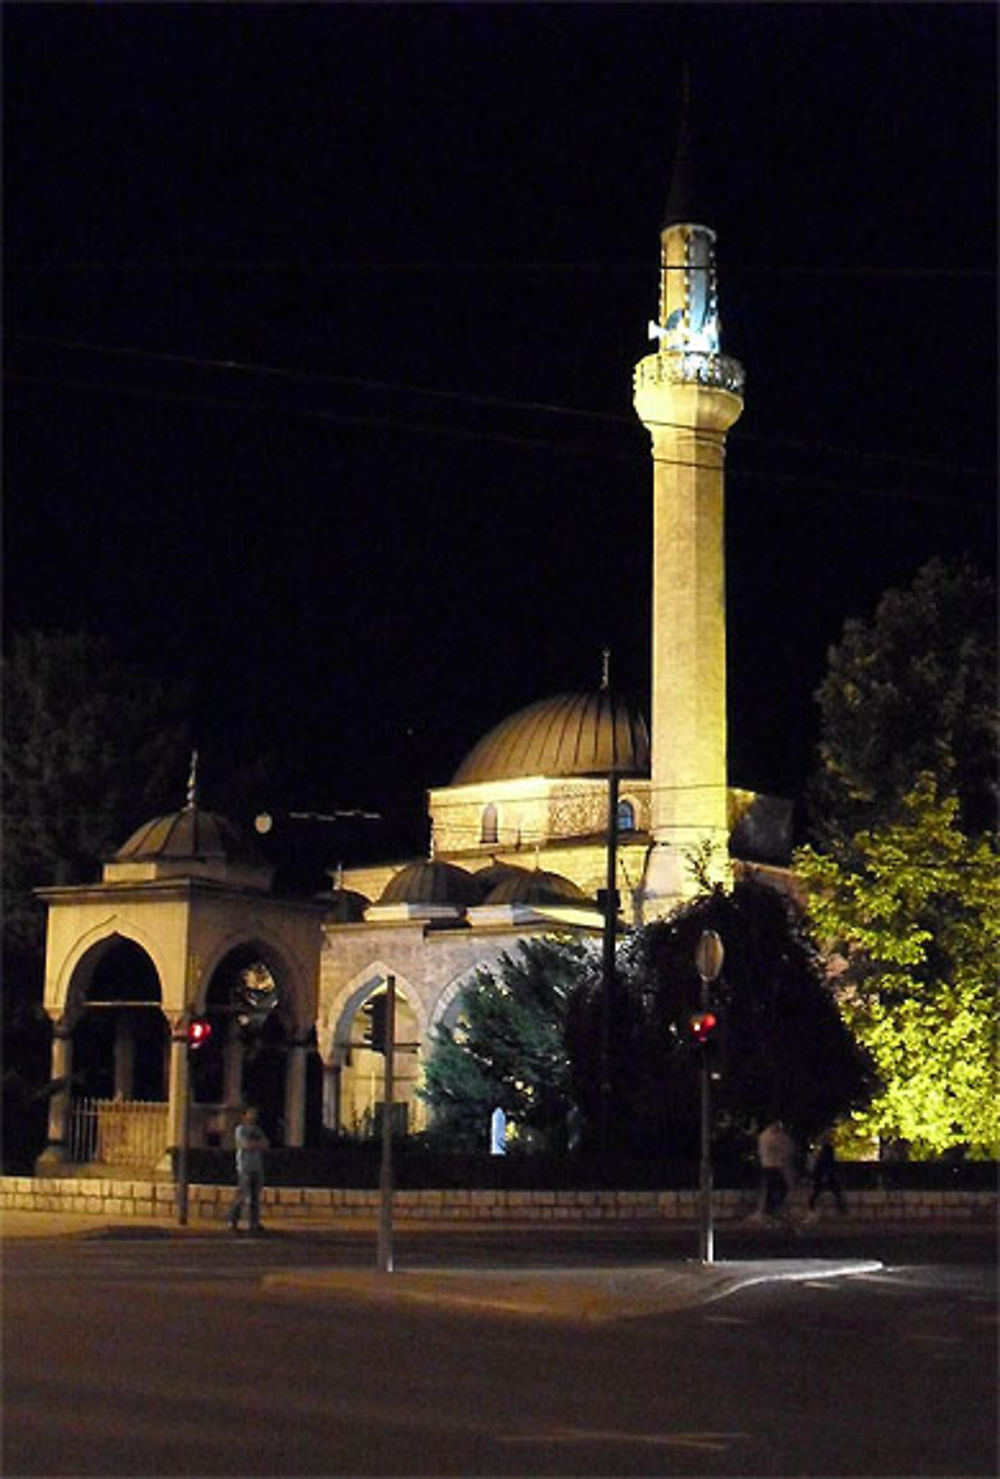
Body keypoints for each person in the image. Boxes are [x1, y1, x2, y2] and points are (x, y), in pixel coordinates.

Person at [225, 1106, 269, 1233]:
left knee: (255, 1198)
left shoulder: (257, 1130)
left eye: (254, 1113)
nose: (253, 1116)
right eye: (250, 1113)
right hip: (245, 1167)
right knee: (243, 1196)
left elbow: (265, 1144)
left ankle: (254, 1223)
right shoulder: (240, 1130)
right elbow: (244, 1145)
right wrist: (257, 1144)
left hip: (257, 1166)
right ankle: (232, 1218)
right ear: (244, 1116)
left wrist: (255, 1144)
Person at [756, 1120, 796, 1218]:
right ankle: (770, 1209)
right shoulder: (770, 1136)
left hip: (771, 1165)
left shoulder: (768, 1136)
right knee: (778, 1187)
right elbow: (783, 1147)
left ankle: (770, 1209)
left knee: (775, 1188)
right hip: (771, 1165)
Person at [808, 1134, 846, 1214]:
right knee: (834, 1190)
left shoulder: (823, 1151)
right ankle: (841, 1208)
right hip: (826, 1173)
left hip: (822, 1173)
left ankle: (811, 1207)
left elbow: (822, 1163)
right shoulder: (828, 1150)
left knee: (817, 1191)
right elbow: (828, 1162)